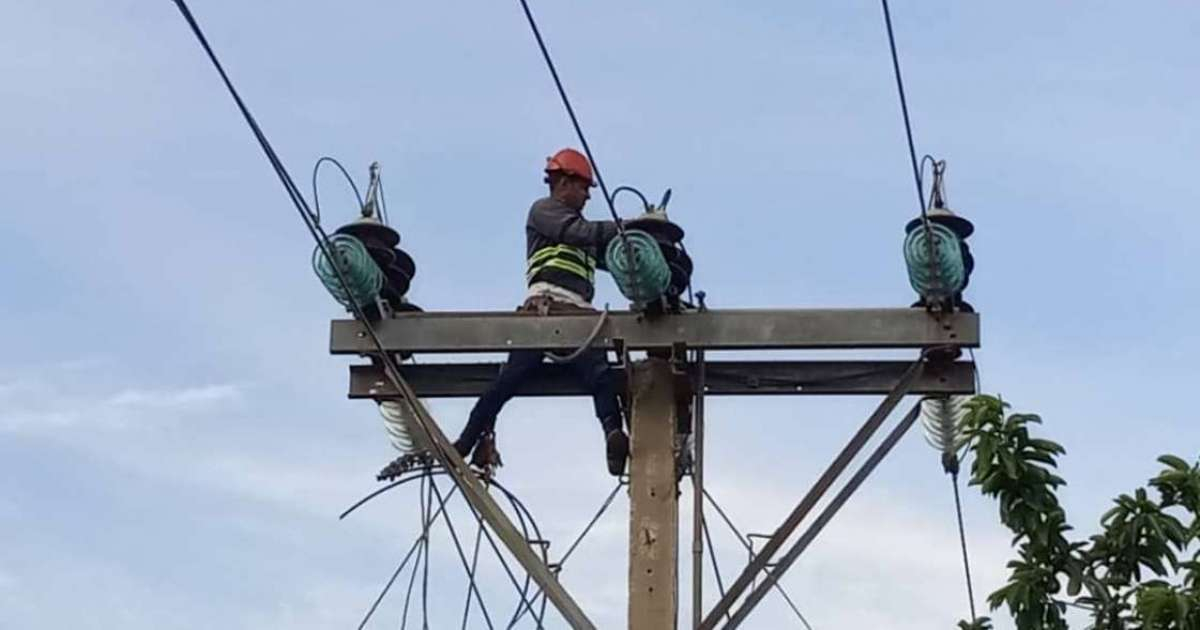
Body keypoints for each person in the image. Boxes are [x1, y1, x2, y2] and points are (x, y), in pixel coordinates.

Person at [452, 148, 630, 476]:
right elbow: (581, 233)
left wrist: (639, 252)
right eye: (584, 187)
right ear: (563, 183)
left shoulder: (583, 231)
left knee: (601, 377)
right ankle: (465, 442)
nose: (589, 195)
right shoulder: (545, 212)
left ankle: (614, 436)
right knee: (508, 381)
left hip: (579, 316)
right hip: (544, 313)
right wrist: (627, 227)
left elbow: (612, 256)